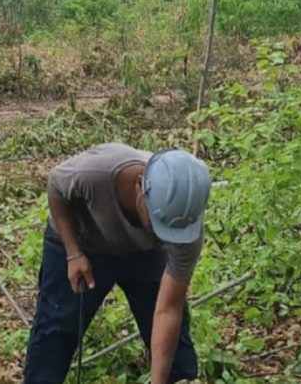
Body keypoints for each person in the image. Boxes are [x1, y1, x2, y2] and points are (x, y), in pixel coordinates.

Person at [23, 143, 211, 384]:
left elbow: (168, 310)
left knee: (176, 349)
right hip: (82, 241)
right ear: (139, 185)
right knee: (56, 330)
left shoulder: (186, 227)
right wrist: (73, 253)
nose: (161, 233)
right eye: (157, 222)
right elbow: (56, 186)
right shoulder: (95, 173)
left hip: (145, 254)